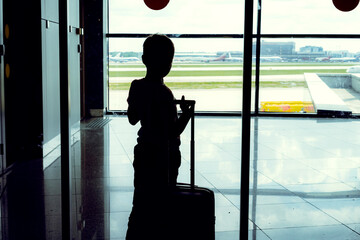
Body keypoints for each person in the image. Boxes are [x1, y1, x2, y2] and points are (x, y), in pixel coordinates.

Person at [126, 34, 193, 239]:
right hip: (166, 155)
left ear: (144, 59)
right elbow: (173, 132)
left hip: (144, 151)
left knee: (141, 199)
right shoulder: (165, 93)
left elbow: (132, 118)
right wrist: (186, 114)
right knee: (164, 199)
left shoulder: (136, 85)